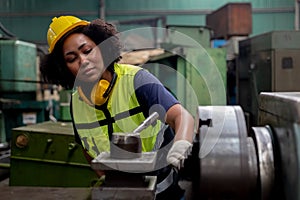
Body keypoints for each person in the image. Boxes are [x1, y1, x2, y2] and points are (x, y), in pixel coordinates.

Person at [40, 15, 194, 199]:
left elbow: (181, 116)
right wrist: (109, 180)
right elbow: (86, 147)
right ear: (64, 68)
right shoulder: (77, 102)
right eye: (72, 59)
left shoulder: (136, 80)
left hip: (163, 190)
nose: (83, 61)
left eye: (88, 50)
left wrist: (181, 143)